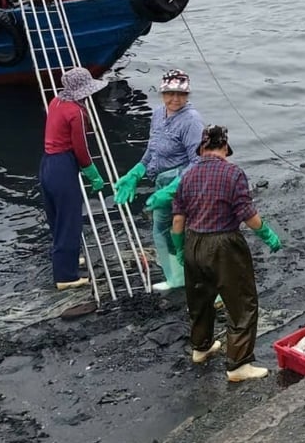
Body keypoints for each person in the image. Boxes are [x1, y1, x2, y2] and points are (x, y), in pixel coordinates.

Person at [172, 124, 281, 383]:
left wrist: (179, 248)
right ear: (224, 147)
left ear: (202, 148)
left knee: (199, 300)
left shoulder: (187, 175)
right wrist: (267, 234)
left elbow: (178, 220)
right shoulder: (233, 173)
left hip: (193, 242)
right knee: (241, 303)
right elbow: (247, 214)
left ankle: (201, 348)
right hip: (224, 245)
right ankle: (239, 364)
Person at [114, 69, 205, 292]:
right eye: (170, 93)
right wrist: (135, 174)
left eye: (180, 94)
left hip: (183, 186)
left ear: (188, 95)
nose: (175, 99)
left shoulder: (191, 121)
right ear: (162, 93)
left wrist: (173, 189)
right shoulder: (157, 114)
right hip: (162, 182)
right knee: (161, 231)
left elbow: (198, 162)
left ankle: (202, 278)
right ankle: (176, 277)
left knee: (186, 231)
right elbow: (151, 151)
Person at [40, 67, 108, 290]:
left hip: (47, 162)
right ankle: (66, 277)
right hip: (63, 165)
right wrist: (92, 173)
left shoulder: (55, 102)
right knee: (70, 219)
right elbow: (81, 148)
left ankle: (65, 259)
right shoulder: (76, 112)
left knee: (56, 216)